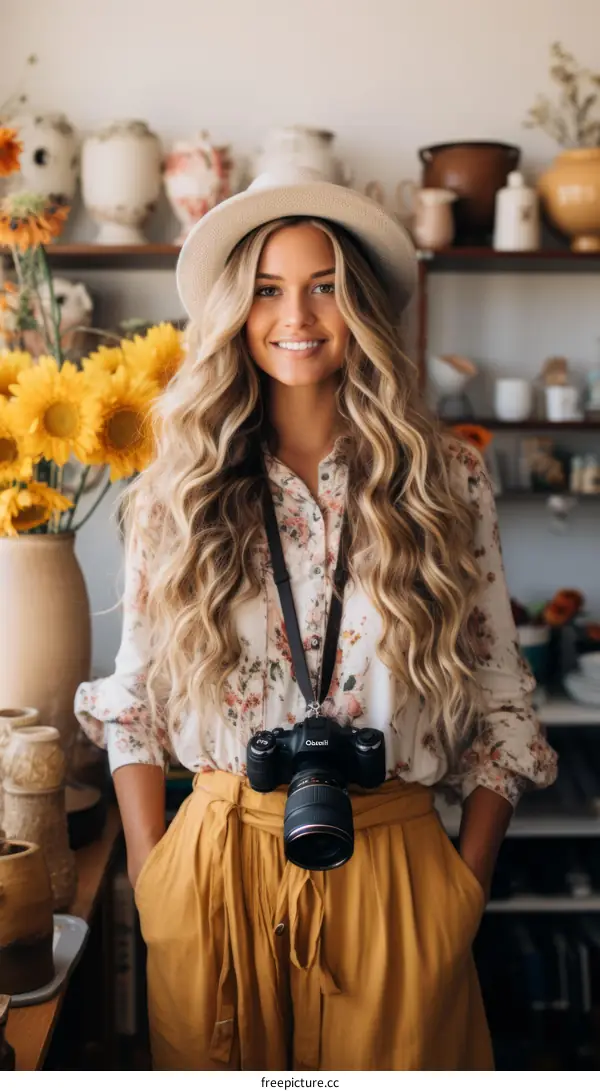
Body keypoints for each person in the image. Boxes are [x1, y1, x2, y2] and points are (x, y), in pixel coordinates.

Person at [75, 166, 558, 1072]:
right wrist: (155, 883)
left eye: (324, 286)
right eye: (266, 289)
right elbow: (132, 700)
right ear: (234, 310)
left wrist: (464, 886)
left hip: (396, 869)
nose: (295, 314)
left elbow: (503, 703)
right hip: (215, 872)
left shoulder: (445, 479)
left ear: (363, 306)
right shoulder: (173, 489)